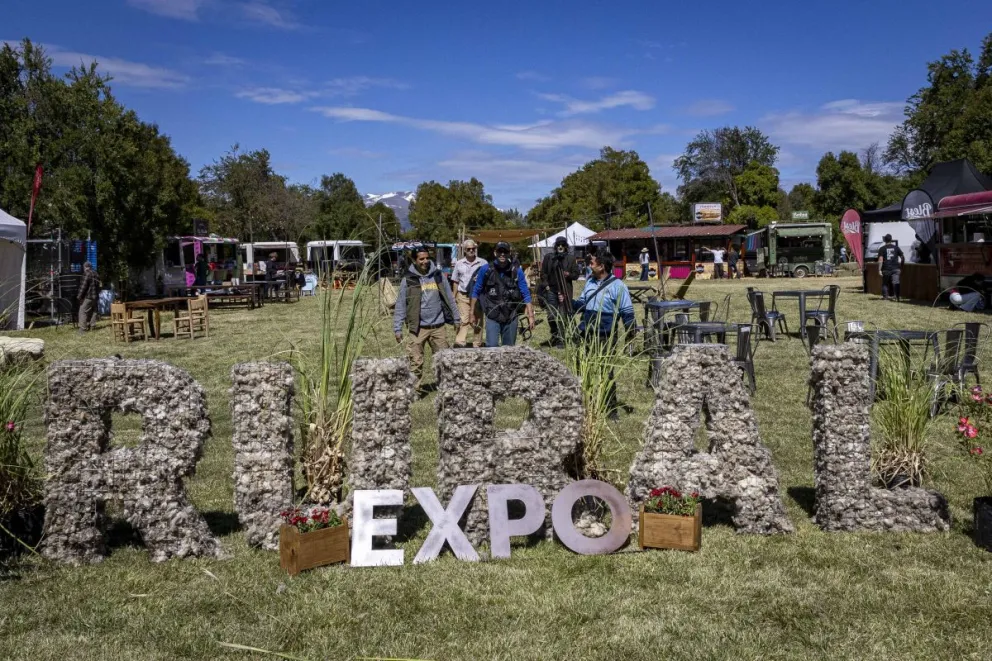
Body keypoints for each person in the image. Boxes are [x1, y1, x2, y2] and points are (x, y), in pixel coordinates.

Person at [566, 250, 635, 419]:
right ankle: (586, 405)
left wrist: (630, 334)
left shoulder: (618, 286)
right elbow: (582, 304)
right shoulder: (590, 282)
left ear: (602, 266)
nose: (590, 265)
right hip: (587, 332)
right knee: (584, 369)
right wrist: (568, 302)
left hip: (605, 334)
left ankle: (611, 410)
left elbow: (627, 312)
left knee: (606, 371)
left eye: (593, 263)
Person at [394, 246, 460, 387]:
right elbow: (401, 304)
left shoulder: (438, 275)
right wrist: (397, 328)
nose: (425, 261)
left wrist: (456, 317)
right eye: (421, 259)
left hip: (438, 326)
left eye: (427, 258)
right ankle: (414, 390)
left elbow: (449, 297)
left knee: (444, 359)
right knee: (415, 361)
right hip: (417, 328)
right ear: (414, 260)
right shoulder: (408, 280)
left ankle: (445, 387)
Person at [470, 241, 535, 347]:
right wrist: (471, 313)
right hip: (492, 315)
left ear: (509, 253)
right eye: (500, 251)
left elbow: (526, 293)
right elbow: (476, 291)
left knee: (509, 350)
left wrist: (531, 315)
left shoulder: (517, 271)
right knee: (492, 348)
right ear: (495, 253)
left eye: (505, 251)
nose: (502, 254)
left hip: (511, 315)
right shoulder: (485, 270)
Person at [540, 236, 580, 347]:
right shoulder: (549, 257)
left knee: (563, 315)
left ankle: (562, 339)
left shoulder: (571, 258)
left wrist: (568, 274)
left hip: (565, 290)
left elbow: (576, 274)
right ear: (555, 246)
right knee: (551, 315)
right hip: (551, 290)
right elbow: (543, 273)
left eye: (562, 244)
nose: (560, 247)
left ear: (566, 246)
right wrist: (546, 286)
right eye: (558, 245)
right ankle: (555, 337)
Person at [450, 239, 487, 348]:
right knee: (463, 319)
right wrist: (454, 295)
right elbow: (455, 280)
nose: (471, 251)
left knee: (478, 320)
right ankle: (460, 343)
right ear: (465, 250)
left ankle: (477, 343)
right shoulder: (459, 263)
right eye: (468, 249)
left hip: (478, 297)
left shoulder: (483, 263)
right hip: (463, 295)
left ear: (476, 249)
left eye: (473, 249)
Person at [878, 234, 905, 301]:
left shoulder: (882, 249)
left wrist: (879, 270)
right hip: (896, 268)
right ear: (891, 239)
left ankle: (885, 297)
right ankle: (897, 297)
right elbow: (902, 257)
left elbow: (880, 260)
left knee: (885, 283)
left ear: (885, 240)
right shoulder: (896, 247)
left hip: (886, 269)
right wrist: (901, 265)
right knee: (896, 283)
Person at [77, 261, 100, 334]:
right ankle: (92, 327)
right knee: (94, 311)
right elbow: (99, 286)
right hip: (95, 296)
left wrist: (79, 297)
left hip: (88, 296)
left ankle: (82, 329)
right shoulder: (96, 274)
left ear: (85, 267)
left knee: (82, 311)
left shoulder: (86, 274)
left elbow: (83, 287)